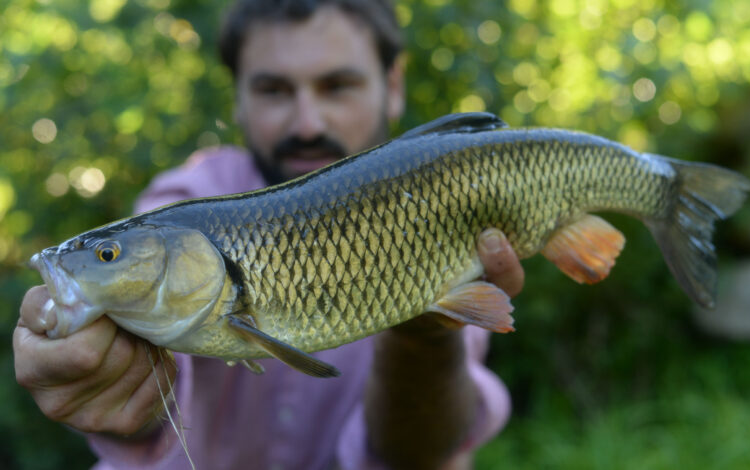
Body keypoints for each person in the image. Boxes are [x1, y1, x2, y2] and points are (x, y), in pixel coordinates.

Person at [14, 1, 526, 468]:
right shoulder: (186, 201)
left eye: (337, 85)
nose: (307, 122)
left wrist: (425, 328)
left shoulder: (450, 195)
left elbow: (417, 453)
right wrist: (105, 377)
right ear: (237, 100)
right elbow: (164, 385)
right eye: (274, 89)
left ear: (392, 87)